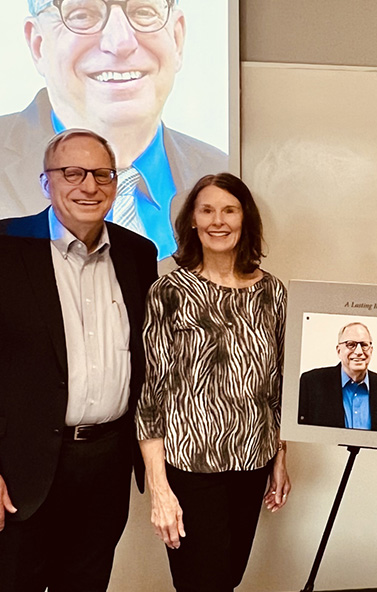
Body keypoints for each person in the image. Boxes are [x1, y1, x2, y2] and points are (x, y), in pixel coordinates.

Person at [0, 128, 158, 591]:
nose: (89, 186)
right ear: (45, 182)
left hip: (105, 467)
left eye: (102, 174)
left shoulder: (138, 254)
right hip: (16, 474)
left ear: (116, 183)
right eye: (72, 173)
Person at [0, 0, 227, 261]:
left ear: (177, 39)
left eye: (144, 11)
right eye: (82, 14)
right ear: (38, 44)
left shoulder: (225, 169)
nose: (120, 43)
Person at [136, 172, 290, 591]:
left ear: (246, 220)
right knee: (201, 582)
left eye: (229, 210)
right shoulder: (169, 290)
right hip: (190, 466)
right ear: (192, 221)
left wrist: (279, 456)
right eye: (207, 210)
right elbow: (150, 395)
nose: (218, 221)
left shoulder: (272, 292)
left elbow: (276, 386)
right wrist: (159, 487)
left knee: (229, 578)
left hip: (252, 460)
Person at [297, 322, 377, 433]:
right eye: (351, 344)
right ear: (339, 351)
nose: (359, 352)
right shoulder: (311, 384)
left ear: (371, 350)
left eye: (364, 345)